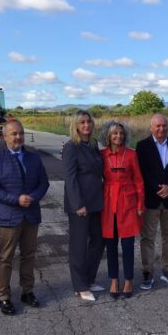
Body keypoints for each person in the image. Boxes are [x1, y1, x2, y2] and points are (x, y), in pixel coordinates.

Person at [0, 119, 49, 315]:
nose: (18, 137)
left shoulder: (34, 157)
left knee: (28, 255)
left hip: (31, 215)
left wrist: (33, 197)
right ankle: (4, 297)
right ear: (4, 136)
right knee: (6, 258)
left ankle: (27, 291)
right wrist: (16, 199)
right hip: (8, 217)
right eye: (14, 133)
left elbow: (43, 183)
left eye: (20, 133)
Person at [135, 113, 168, 290]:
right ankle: (147, 271)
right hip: (151, 199)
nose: (161, 129)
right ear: (151, 127)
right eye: (158, 126)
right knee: (148, 237)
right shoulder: (142, 146)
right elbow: (142, 171)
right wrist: (158, 188)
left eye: (164, 125)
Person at [99, 121, 145, 299]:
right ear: (108, 136)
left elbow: (139, 181)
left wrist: (140, 204)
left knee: (127, 244)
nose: (118, 136)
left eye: (121, 133)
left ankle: (128, 280)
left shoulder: (132, 154)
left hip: (128, 202)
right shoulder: (102, 155)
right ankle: (113, 280)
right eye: (114, 133)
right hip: (108, 202)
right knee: (111, 245)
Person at [63, 110, 105, 301]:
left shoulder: (94, 144)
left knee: (98, 241)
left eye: (89, 121)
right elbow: (70, 178)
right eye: (82, 122)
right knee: (79, 246)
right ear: (76, 125)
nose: (86, 125)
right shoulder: (71, 147)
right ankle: (80, 286)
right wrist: (77, 203)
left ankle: (89, 279)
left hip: (96, 201)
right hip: (79, 204)